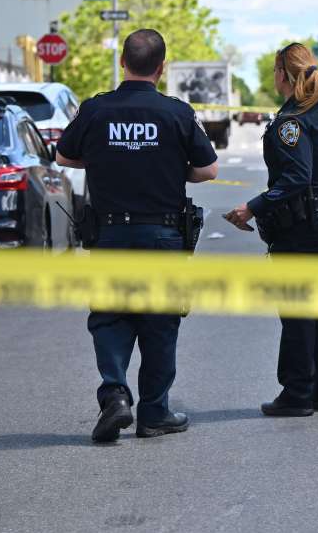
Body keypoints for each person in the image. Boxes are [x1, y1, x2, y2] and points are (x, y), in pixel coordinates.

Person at [55, 28, 219, 443]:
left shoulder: (95, 109)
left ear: (123, 63)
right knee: (160, 323)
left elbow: (62, 154)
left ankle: (114, 394)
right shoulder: (177, 113)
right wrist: (164, 164)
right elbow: (208, 169)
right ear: (161, 68)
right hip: (163, 236)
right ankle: (153, 413)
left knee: (110, 317)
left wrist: (108, 159)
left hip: (110, 233)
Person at [223, 43, 318, 418]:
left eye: (274, 71)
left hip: (304, 225)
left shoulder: (291, 122)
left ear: (284, 74)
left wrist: (252, 207)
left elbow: (298, 177)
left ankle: (297, 392)